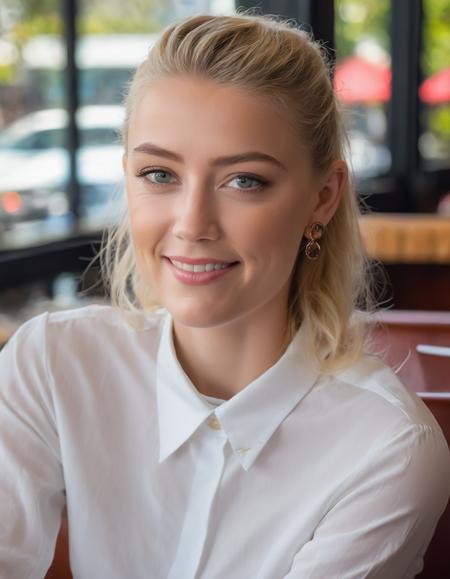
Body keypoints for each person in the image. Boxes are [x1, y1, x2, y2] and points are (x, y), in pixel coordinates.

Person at [1, 13, 449, 579]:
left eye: (244, 181)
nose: (192, 224)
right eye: (159, 174)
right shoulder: (50, 363)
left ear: (323, 196)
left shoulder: (388, 448)